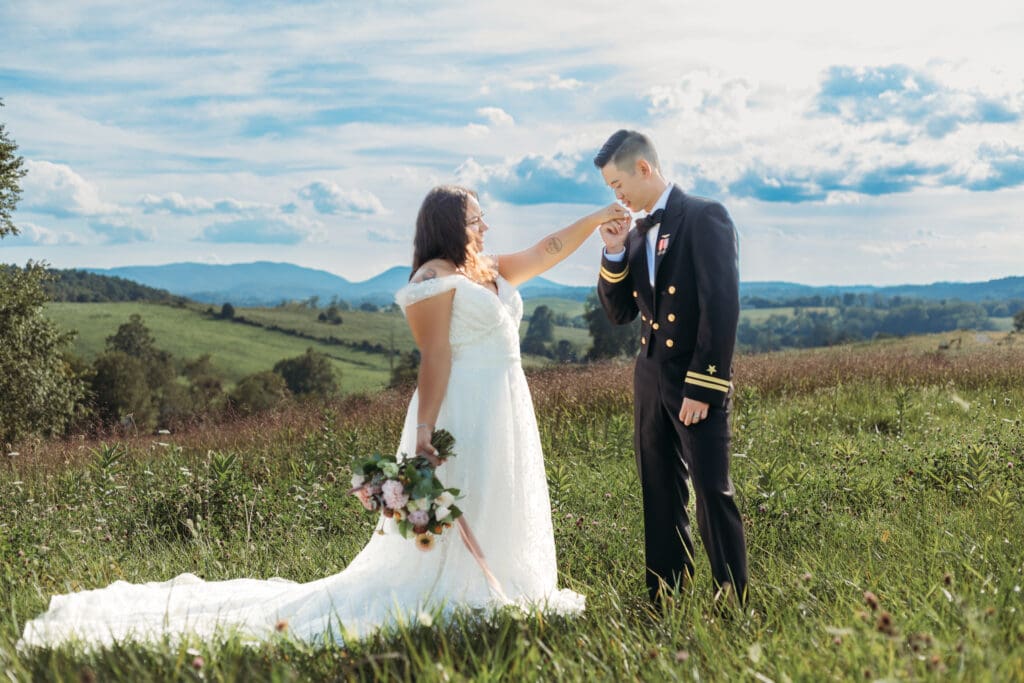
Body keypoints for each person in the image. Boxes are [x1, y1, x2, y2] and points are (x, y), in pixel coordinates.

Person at [19, 185, 627, 649]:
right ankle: (466, 594)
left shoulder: (486, 269)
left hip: (505, 402)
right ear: (448, 224)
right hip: (462, 408)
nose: (484, 224)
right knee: (462, 502)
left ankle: (506, 585)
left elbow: (548, 251)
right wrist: (422, 438)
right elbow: (435, 358)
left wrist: (599, 218)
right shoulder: (430, 279)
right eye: (474, 217)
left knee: (502, 496)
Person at [593, 129, 748, 607]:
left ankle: (732, 596)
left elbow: (720, 306)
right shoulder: (636, 233)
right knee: (658, 490)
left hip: (693, 377)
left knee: (709, 488)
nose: (616, 197)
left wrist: (704, 387)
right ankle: (666, 593)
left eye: (618, 185)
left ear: (644, 168)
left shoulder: (705, 217)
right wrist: (614, 252)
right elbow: (619, 313)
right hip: (649, 377)